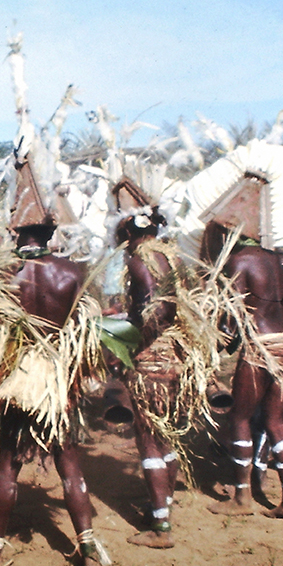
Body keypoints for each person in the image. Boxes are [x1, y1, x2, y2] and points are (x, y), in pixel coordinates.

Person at [0, 222, 107, 566]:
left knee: (7, 469)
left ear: (16, 231)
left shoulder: (3, 274)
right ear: (50, 231)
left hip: (17, 379)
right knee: (70, 467)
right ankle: (88, 552)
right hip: (55, 381)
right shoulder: (72, 270)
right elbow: (83, 326)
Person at [207, 222, 283, 520]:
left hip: (260, 346)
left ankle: (242, 497)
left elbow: (232, 318)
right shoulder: (274, 258)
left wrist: (212, 345)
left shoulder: (238, 260)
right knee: (275, 421)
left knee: (240, 417)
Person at [120, 210, 183, 548]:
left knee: (148, 440)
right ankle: (164, 506)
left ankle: (161, 527)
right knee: (164, 436)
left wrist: (131, 341)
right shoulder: (168, 256)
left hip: (151, 359)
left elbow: (154, 310)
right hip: (172, 354)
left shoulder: (139, 259)